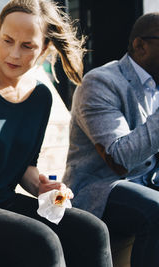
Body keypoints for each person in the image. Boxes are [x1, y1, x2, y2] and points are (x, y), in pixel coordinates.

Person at [0, 0, 113, 266]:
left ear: (45, 48)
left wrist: (43, 187)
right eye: (7, 40)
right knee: (44, 242)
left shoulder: (41, 97)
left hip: (3, 203)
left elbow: (26, 166)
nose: (13, 54)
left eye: (27, 46)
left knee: (93, 230)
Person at [62, 12, 159, 267]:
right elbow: (119, 159)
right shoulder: (101, 82)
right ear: (141, 45)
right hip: (101, 187)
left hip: (146, 180)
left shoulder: (155, 86)